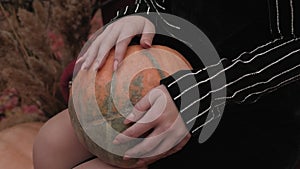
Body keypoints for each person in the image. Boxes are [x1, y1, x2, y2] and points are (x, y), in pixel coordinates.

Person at [33, 0, 300, 169]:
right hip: (164, 67)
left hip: (238, 101)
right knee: (51, 143)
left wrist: (201, 91)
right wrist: (141, 13)